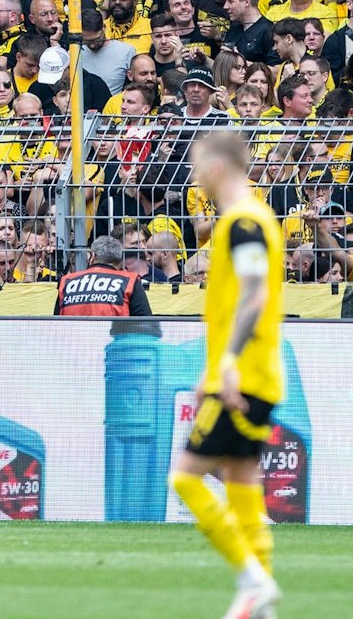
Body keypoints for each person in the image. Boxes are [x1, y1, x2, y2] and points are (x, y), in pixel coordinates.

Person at [168, 130, 282, 619]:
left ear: (216, 167)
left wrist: (228, 363)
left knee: (185, 479)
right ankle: (261, 602)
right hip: (255, 373)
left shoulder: (242, 222)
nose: (195, 177)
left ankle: (252, 580)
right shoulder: (254, 218)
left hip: (243, 375)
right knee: (242, 484)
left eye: (197, 166)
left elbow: (255, 293)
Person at [51, 235, 152, 315]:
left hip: (73, 335)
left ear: (92, 256)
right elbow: (145, 323)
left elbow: (56, 323)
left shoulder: (67, 282)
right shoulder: (130, 281)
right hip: (116, 335)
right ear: (120, 260)